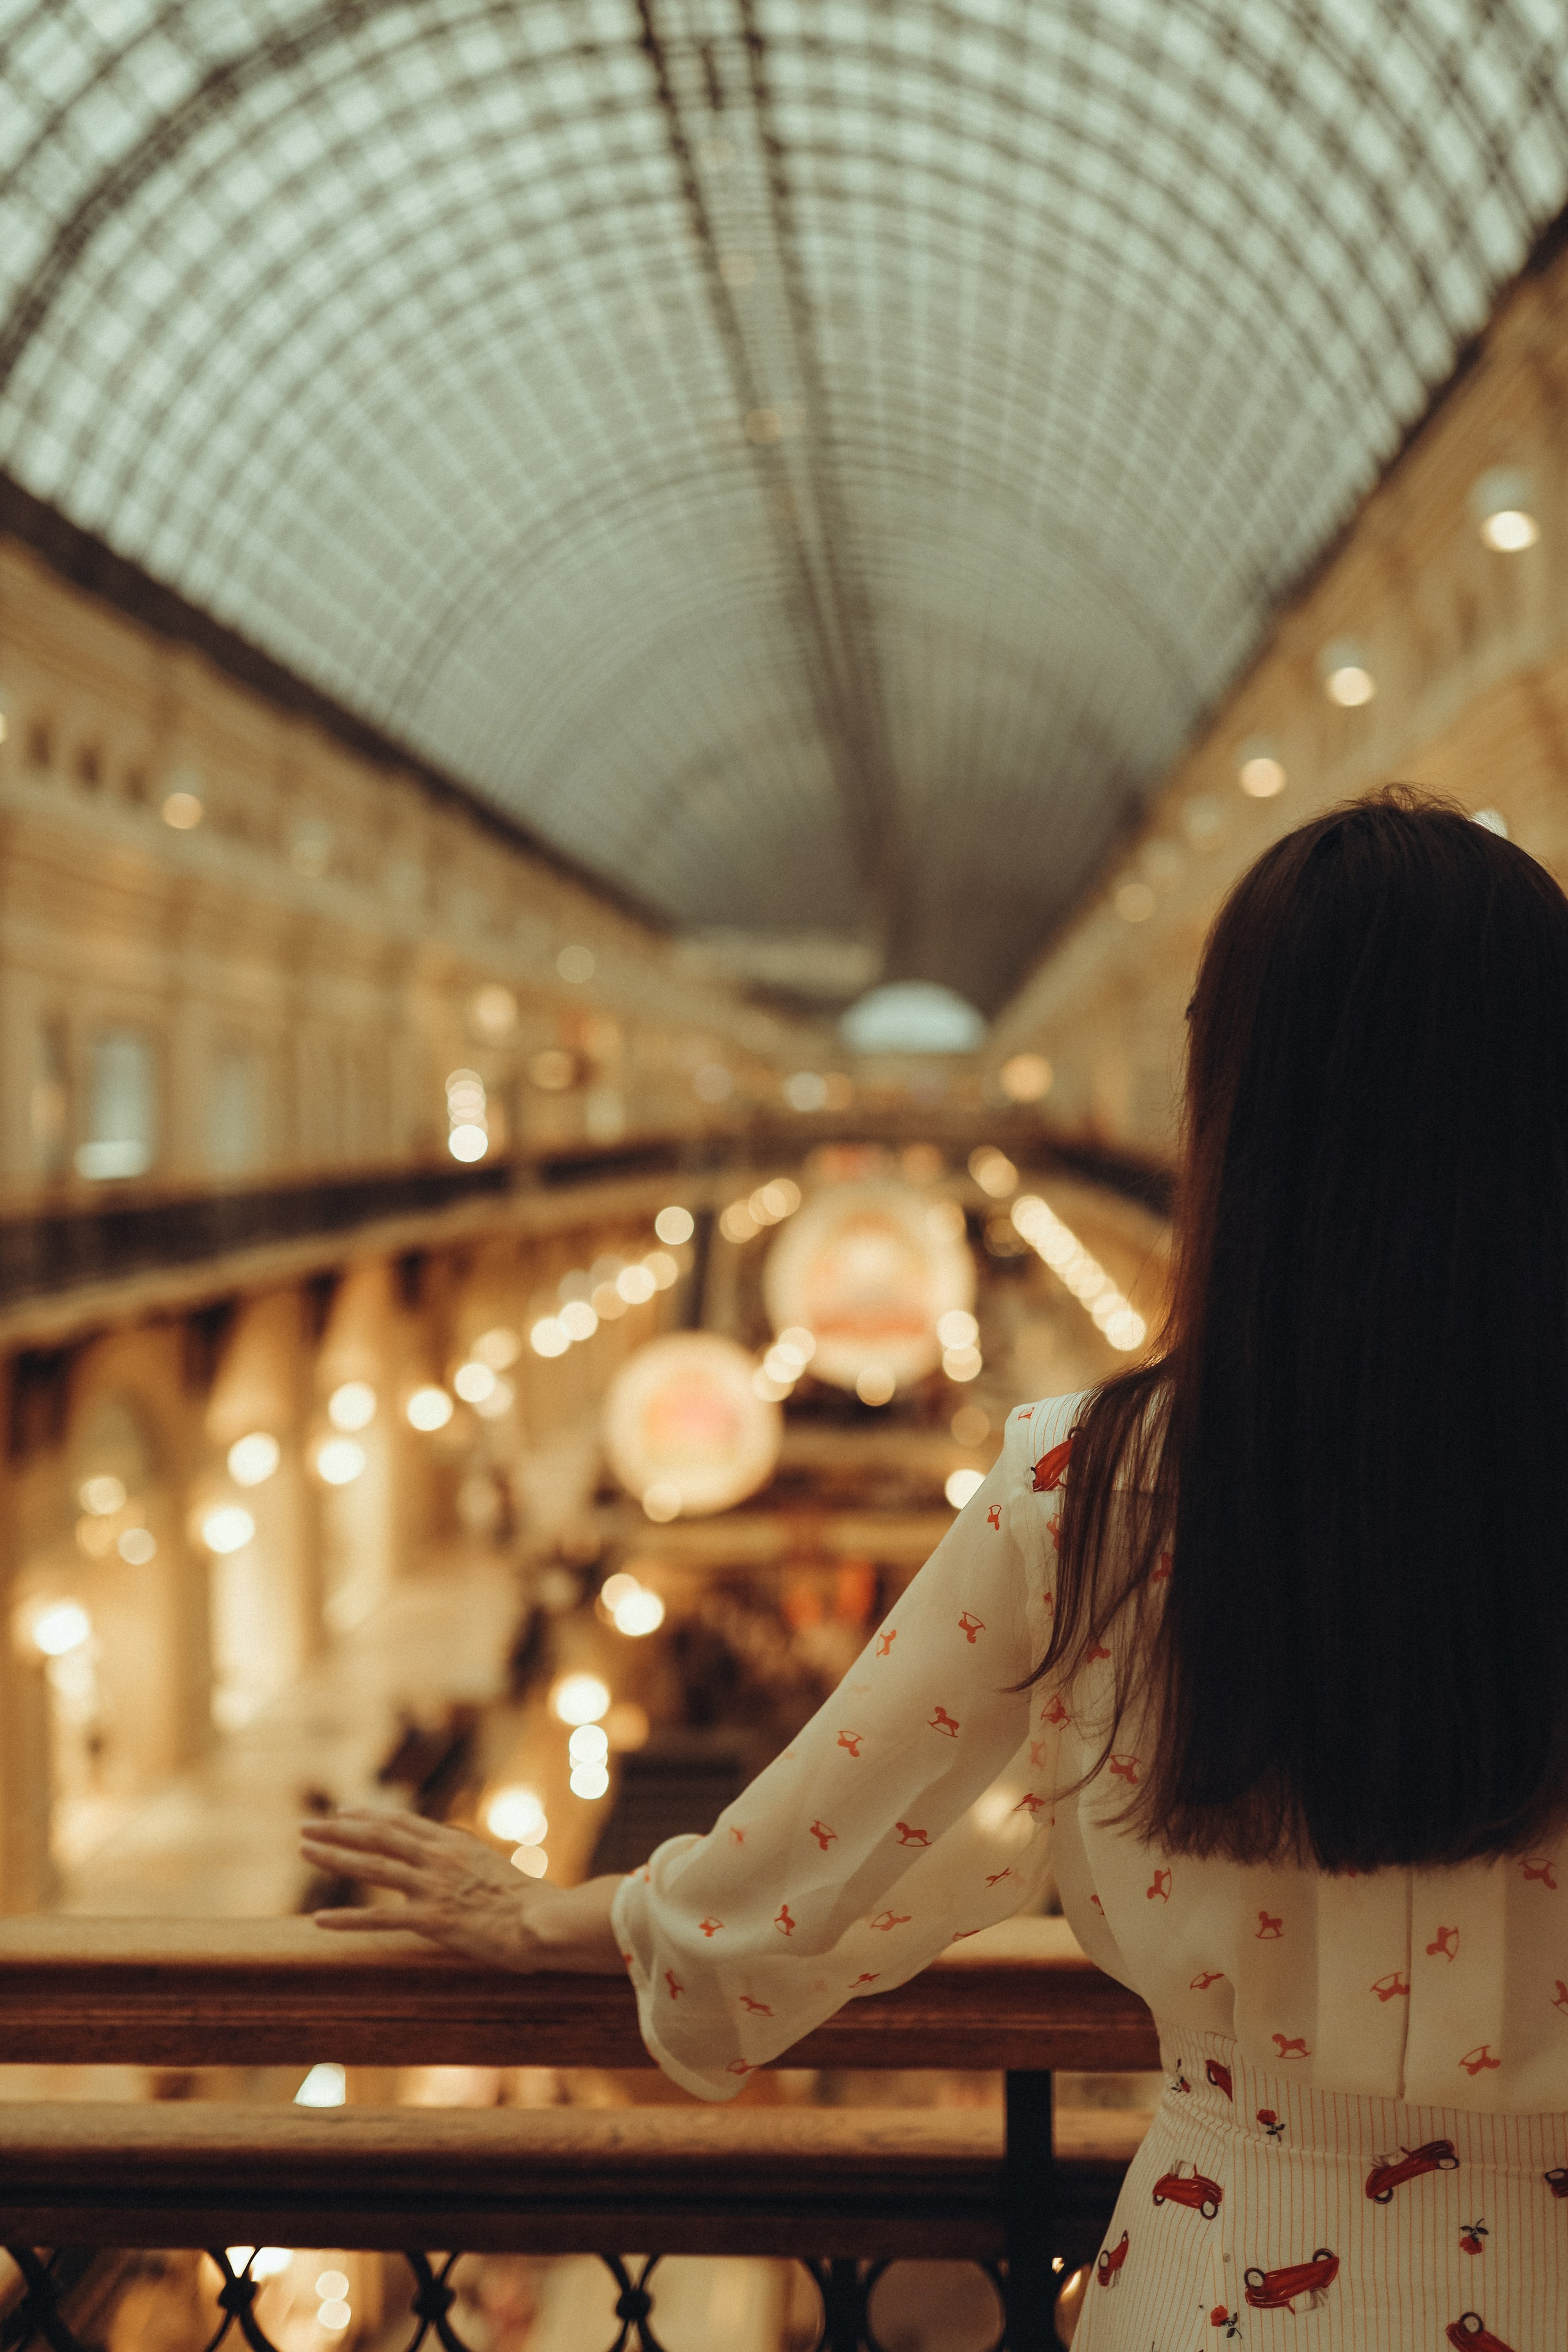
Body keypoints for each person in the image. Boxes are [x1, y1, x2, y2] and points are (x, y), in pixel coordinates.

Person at [301, 791, 1568, 2346]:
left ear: (1234, 1109)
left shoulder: (1090, 1491)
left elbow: (828, 1847)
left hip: (1229, 2278)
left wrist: (555, 1919)